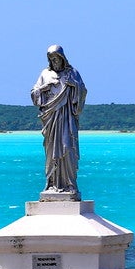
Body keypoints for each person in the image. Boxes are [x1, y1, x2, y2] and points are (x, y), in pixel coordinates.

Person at [30, 45, 86, 198]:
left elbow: (82, 91)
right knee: (51, 151)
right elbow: (34, 94)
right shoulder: (45, 74)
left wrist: (74, 86)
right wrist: (44, 88)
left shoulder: (72, 73)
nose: (55, 62)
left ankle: (69, 184)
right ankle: (51, 182)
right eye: (52, 59)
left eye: (57, 59)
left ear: (62, 58)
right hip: (51, 118)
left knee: (67, 148)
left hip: (67, 118)